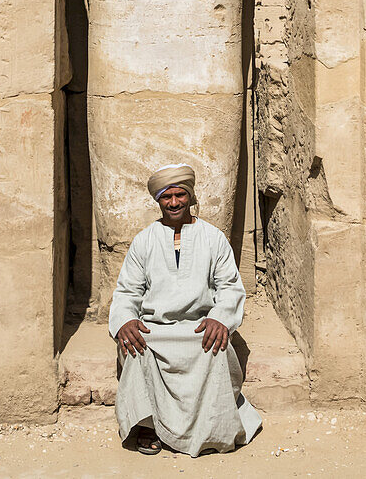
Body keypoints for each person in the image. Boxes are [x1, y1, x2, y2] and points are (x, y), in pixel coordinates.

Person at [108, 163, 262, 457]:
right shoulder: (144, 241)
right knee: (134, 345)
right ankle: (147, 425)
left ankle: (212, 428)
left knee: (216, 346)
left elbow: (229, 287)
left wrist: (219, 318)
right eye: (167, 197)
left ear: (190, 197)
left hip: (198, 328)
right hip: (155, 331)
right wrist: (126, 320)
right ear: (158, 200)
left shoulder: (213, 238)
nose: (174, 202)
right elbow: (127, 291)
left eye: (180, 195)